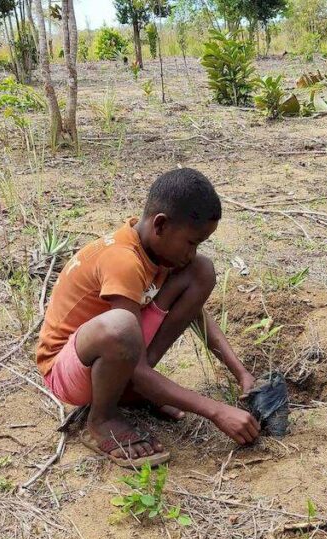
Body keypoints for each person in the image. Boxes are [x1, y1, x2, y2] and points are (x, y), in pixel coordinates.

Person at [36, 168, 260, 467]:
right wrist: (216, 410)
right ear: (161, 225)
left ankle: (133, 389)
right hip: (68, 371)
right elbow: (124, 338)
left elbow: (196, 314)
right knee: (122, 326)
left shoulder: (156, 250)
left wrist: (241, 372)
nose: (192, 252)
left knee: (201, 271)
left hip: (117, 360)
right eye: (192, 242)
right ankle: (101, 420)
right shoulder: (123, 261)